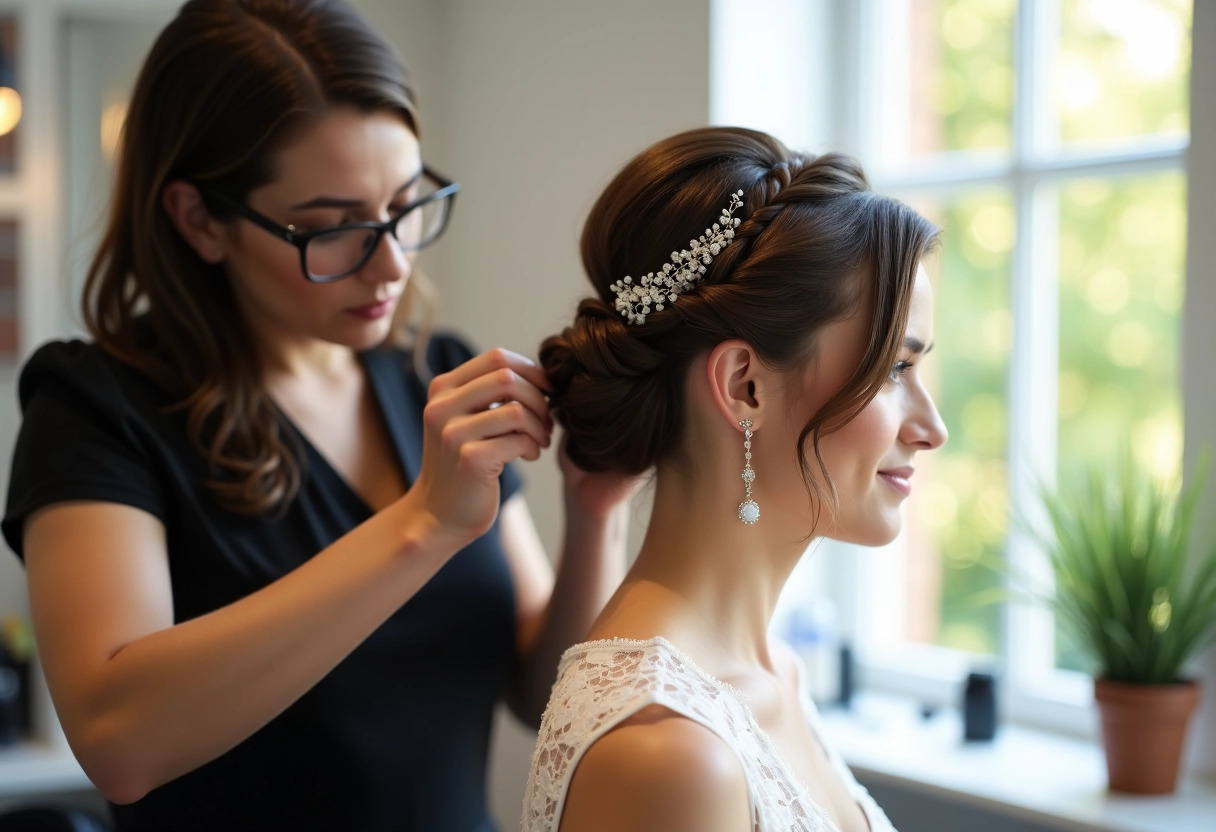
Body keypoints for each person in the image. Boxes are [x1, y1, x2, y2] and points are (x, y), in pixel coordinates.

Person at [1, 1, 632, 830]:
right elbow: (120, 743)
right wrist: (424, 525)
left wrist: (594, 517)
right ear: (200, 220)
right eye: (333, 229)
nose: (391, 264)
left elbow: (544, 695)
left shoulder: (434, 374)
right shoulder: (97, 408)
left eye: (407, 204)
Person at [522, 126, 948, 832]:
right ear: (745, 386)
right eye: (894, 369)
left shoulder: (776, 673)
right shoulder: (670, 754)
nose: (932, 427)